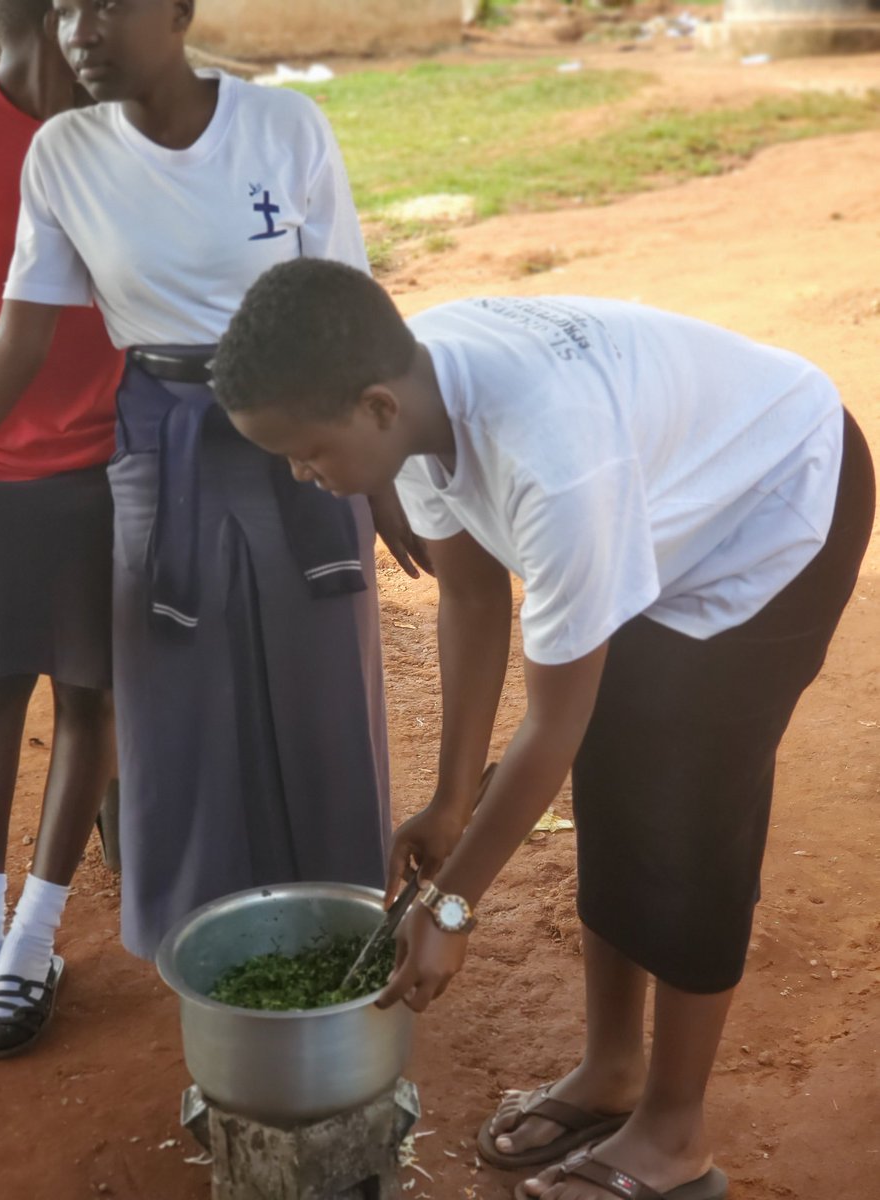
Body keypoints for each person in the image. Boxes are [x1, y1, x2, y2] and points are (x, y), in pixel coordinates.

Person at [210, 258, 875, 1200]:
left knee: (688, 814)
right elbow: (473, 600)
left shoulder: (553, 460)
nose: (300, 474)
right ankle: (613, 1069)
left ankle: (676, 1138)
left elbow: (551, 724)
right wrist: (448, 802)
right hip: (660, 509)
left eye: (305, 452)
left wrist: (453, 908)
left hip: (772, 512)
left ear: (373, 408)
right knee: (617, 776)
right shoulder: (419, 397)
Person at [0, 0, 427, 962]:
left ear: (178, 11)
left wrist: (390, 484)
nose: (79, 34)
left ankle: (341, 935)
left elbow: (353, 306)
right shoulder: (64, 155)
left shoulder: (282, 126)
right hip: (162, 441)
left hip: (304, 432)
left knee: (319, 689)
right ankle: (212, 950)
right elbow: (18, 343)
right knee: (174, 697)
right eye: (65, 10)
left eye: (107, 7)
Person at [0, 0, 124, 1058]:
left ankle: (22, 944)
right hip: (6, 460)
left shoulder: (123, 130)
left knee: (72, 697)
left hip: (103, 466)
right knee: (25, 701)